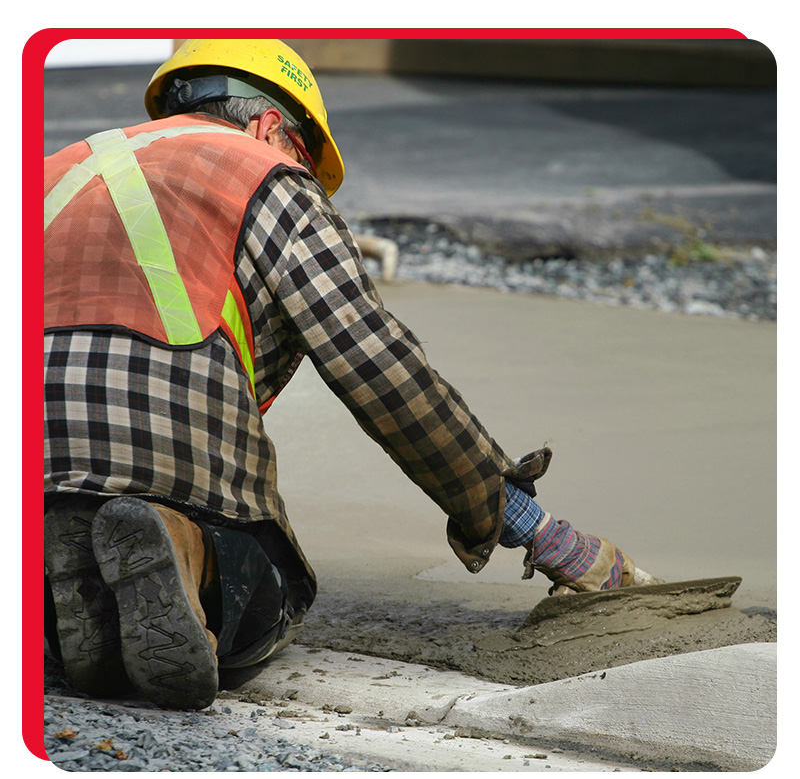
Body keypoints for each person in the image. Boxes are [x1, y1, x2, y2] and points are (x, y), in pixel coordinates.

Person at [44, 39, 657, 711]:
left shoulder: (49, 172)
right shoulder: (263, 175)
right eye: (304, 153)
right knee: (270, 591)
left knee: (68, 609)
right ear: (272, 126)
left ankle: (59, 579)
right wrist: (531, 526)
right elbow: (378, 366)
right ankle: (190, 549)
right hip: (171, 473)